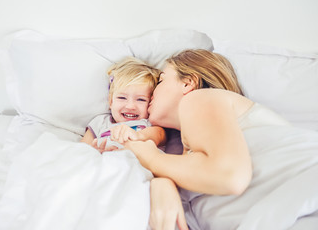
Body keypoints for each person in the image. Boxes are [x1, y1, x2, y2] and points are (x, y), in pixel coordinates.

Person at [110, 49, 317, 230]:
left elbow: (229, 176)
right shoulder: (190, 147)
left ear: (188, 83)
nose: (152, 91)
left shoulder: (200, 98)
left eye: (162, 80)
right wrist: (163, 183)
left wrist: (149, 157)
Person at [81, 56, 166, 153]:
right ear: (111, 102)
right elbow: (81, 150)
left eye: (141, 99)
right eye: (122, 98)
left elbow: (160, 135)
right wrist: (95, 151)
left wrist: (138, 136)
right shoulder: (100, 123)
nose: (130, 106)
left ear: (151, 103)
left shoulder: (149, 123)